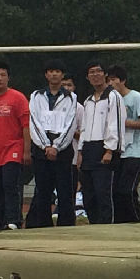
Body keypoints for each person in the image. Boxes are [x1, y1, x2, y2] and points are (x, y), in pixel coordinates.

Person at [26, 59, 78, 228]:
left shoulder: (71, 97)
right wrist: (45, 145)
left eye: (58, 71)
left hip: (63, 150)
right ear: (46, 75)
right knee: (43, 191)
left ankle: (66, 226)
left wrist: (56, 146)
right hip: (41, 149)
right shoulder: (36, 95)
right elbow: (34, 121)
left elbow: (70, 124)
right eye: (51, 71)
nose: (54, 74)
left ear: (62, 75)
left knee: (65, 192)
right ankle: (43, 225)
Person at [0, 60, 31, 231]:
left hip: (13, 149)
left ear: (9, 78)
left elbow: (26, 126)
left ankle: (13, 220)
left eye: (3, 75)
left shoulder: (17, 98)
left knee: (10, 185)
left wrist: (26, 151)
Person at [77, 61, 126, 224]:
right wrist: (80, 151)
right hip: (88, 148)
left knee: (103, 193)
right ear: (87, 77)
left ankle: (106, 226)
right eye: (91, 72)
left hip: (104, 149)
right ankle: (93, 224)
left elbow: (115, 124)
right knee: (89, 194)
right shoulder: (88, 100)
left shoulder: (113, 96)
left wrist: (110, 150)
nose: (95, 75)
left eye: (98, 71)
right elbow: (84, 127)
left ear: (105, 74)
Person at [107, 64, 140, 223]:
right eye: (109, 80)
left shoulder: (136, 97)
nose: (111, 83)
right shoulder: (110, 99)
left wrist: (123, 122)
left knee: (127, 190)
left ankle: (138, 219)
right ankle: (120, 222)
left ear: (123, 80)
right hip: (117, 151)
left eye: (114, 79)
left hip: (133, 152)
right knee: (115, 191)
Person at [61, 73, 84, 211]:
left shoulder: (79, 108)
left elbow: (84, 134)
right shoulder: (50, 104)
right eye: (63, 85)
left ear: (74, 87)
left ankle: (69, 213)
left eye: (69, 85)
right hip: (53, 155)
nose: (66, 88)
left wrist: (69, 132)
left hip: (72, 156)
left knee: (69, 188)